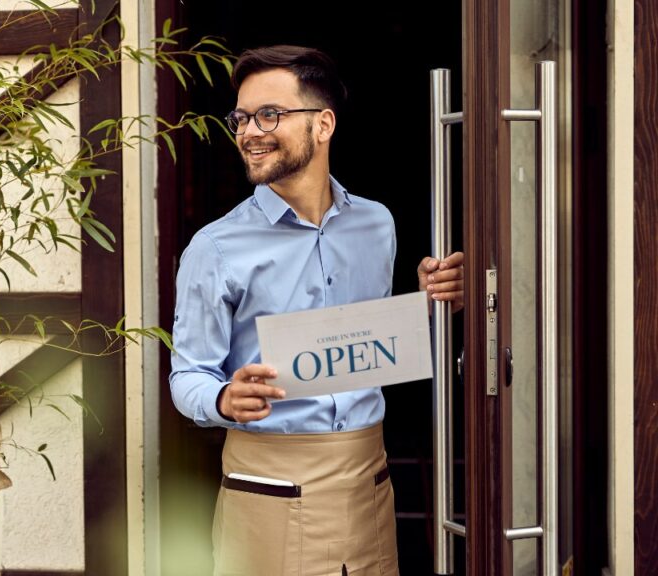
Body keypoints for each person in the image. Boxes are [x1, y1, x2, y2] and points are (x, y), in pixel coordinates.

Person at [169, 45, 465, 576]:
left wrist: (427, 304)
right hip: (268, 493)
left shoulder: (377, 225)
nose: (249, 131)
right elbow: (187, 375)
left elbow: (363, 341)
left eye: (269, 115)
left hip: (368, 484)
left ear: (323, 124)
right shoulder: (214, 248)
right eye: (241, 117)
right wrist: (223, 397)